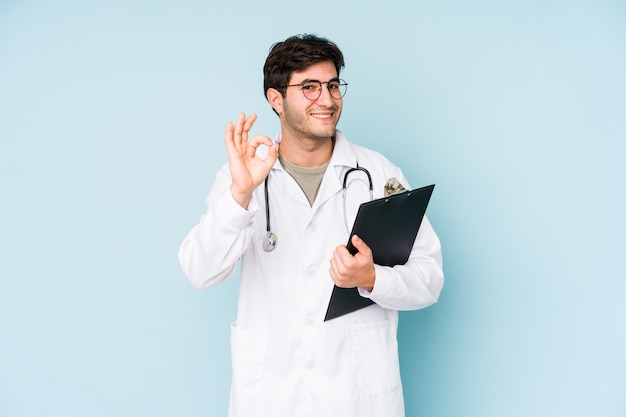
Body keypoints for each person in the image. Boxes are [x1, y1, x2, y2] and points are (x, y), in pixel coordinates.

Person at [178, 33, 444, 417]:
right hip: (271, 396)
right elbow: (199, 272)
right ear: (276, 99)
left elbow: (429, 278)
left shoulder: (377, 174)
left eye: (333, 85)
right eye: (310, 87)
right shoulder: (243, 176)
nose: (327, 99)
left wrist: (372, 278)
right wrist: (239, 195)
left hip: (356, 397)